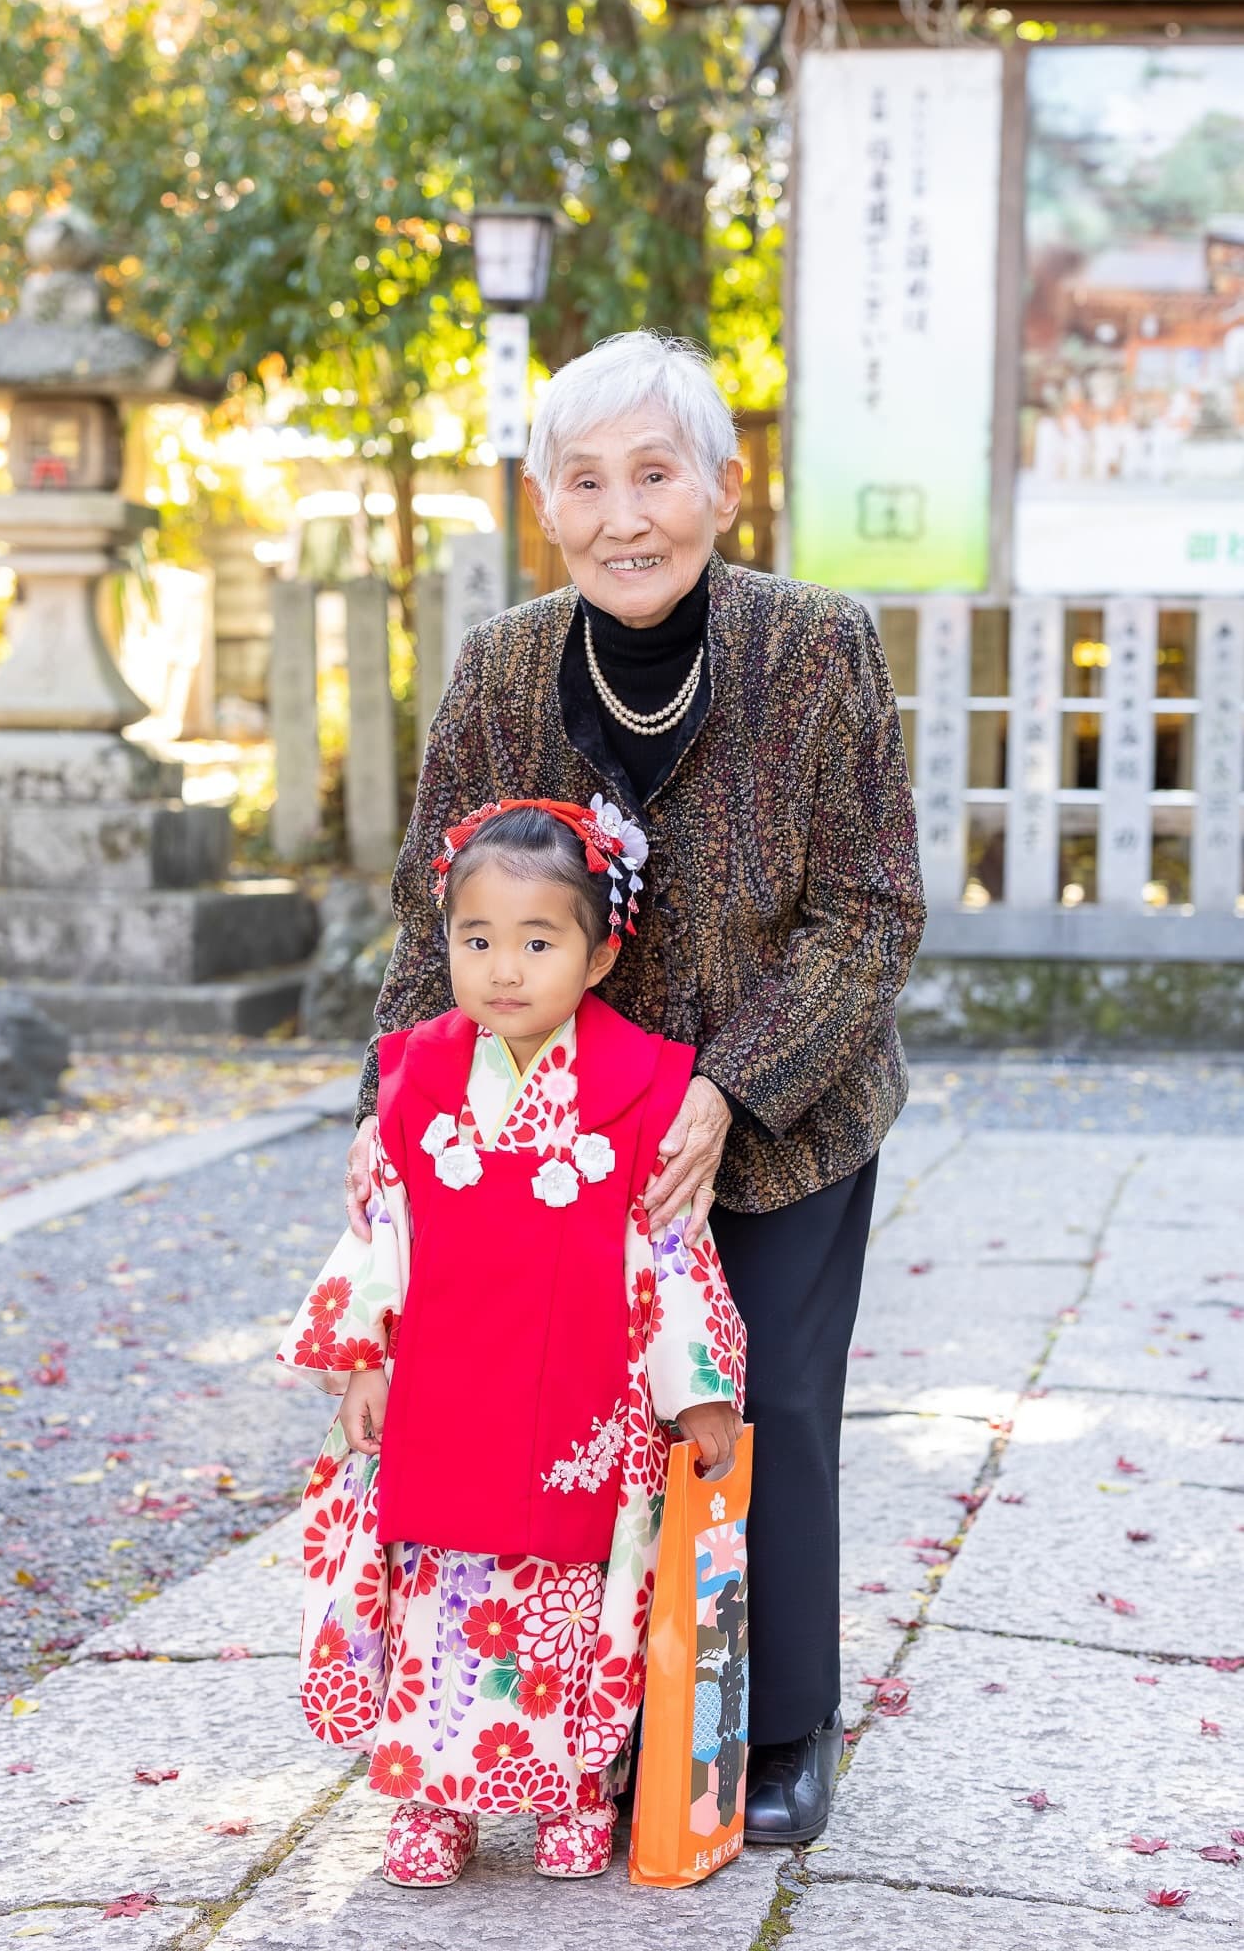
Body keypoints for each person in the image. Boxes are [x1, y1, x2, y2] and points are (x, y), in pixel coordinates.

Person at [345, 331, 926, 1846]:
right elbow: (434, 911)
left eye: (655, 475)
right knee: (581, 1417)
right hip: (553, 1133)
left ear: (722, 491)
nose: (624, 516)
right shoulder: (498, 665)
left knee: (759, 1406)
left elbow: (870, 908)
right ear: (547, 505)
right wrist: (383, 1122)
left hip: (776, 1118)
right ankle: (590, 1720)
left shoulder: (819, 648)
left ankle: (775, 1725)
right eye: (586, 482)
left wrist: (730, 1089)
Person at [276, 798, 747, 1888]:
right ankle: (434, 1797)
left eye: (538, 941)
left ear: (599, 952)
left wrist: (700, 1392)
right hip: (445, 1392)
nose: (502, 968)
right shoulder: (416, 1074)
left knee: (573, 1598)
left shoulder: (643, 1083)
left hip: (582, 1397)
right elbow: (378, 1228)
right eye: (474, 938)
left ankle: (572, 1787)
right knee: (437, 1595)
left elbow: (670, 1252)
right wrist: (364, 1356)